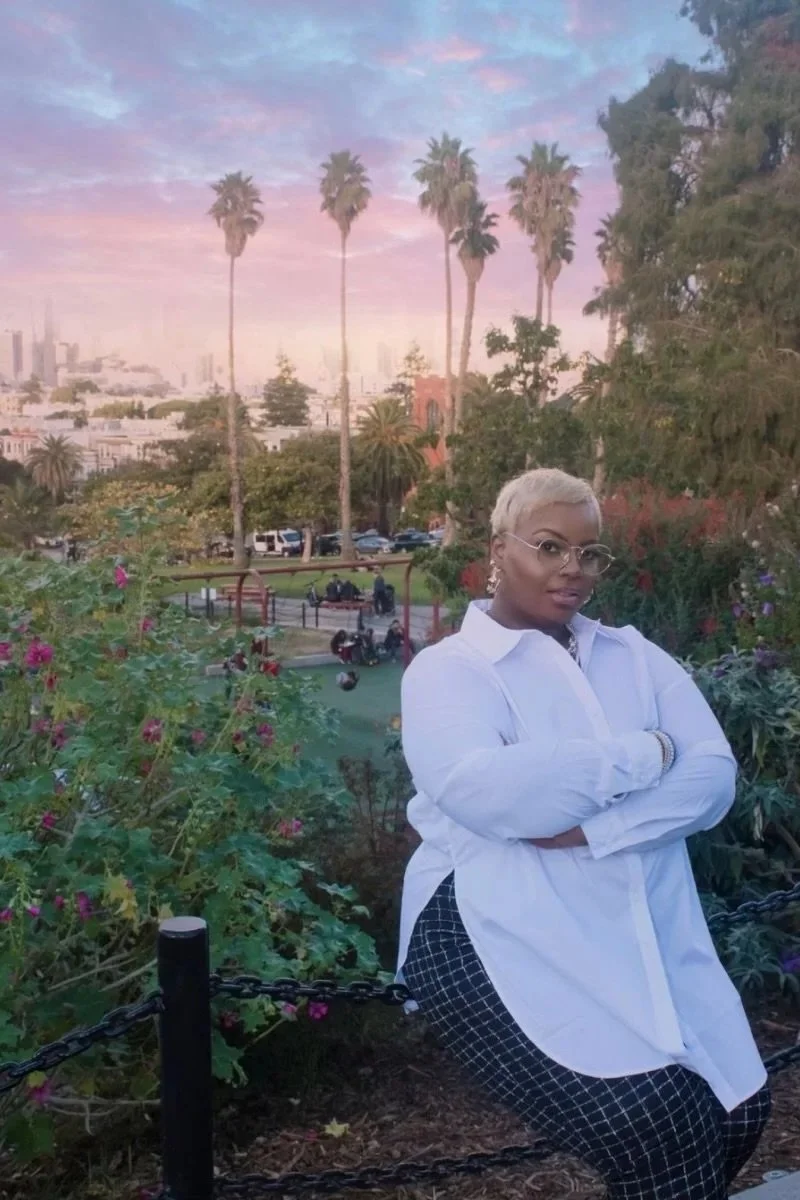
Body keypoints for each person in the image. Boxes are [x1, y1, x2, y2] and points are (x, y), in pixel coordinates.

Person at [398, 467, 770, 1200]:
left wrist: (602, 830)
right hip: (494, 923)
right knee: (657, 1133)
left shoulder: (632, 656)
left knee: (737, 1108)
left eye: (590, 553)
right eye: (549, 546)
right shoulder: (452, 670)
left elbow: (715, 779)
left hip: (637, 921)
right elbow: (490, 793)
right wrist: (648, 752)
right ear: (498, 549)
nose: (573, 569)